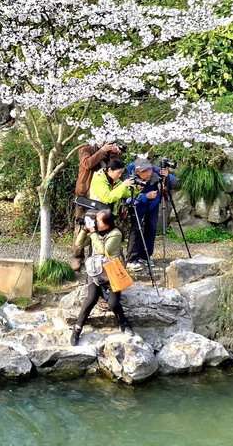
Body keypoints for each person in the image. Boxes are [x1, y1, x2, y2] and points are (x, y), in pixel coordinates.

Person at [71, 209, 132, 345]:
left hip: (112, 272)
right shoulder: (95, 232)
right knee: (90, 299)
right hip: (95, 271)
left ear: (106, 223)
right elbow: (79, 244)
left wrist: (93, 233)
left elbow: (104, 251)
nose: (95, 222)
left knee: (113, 303)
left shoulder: (116, 234)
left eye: (97, 220)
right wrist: (84, 230)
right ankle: (76, 330)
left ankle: (125, 324)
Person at [69, 142, 122, 271]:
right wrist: (102, 151)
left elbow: (114, 171)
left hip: (101, 196)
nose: (109, 143)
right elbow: (87, 164)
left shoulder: (109, 153)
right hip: (85, 195)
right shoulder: (86, 148)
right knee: (82, 225)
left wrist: (115, 155)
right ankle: (77, 256)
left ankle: (96, 256)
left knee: (101, 225)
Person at [124, 158, 178, 271]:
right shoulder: (129, 173)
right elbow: (127, 198)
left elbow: (175, 182)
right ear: (138, 172)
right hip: (137, 205)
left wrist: (167, 175)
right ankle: (132, 259)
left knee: (151, 228)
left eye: (150, 173)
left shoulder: (154, 169)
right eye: (146, 175)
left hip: (153, 205)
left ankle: (146, 256)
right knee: (136, 229)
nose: (149, 176)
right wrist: (145, 196)